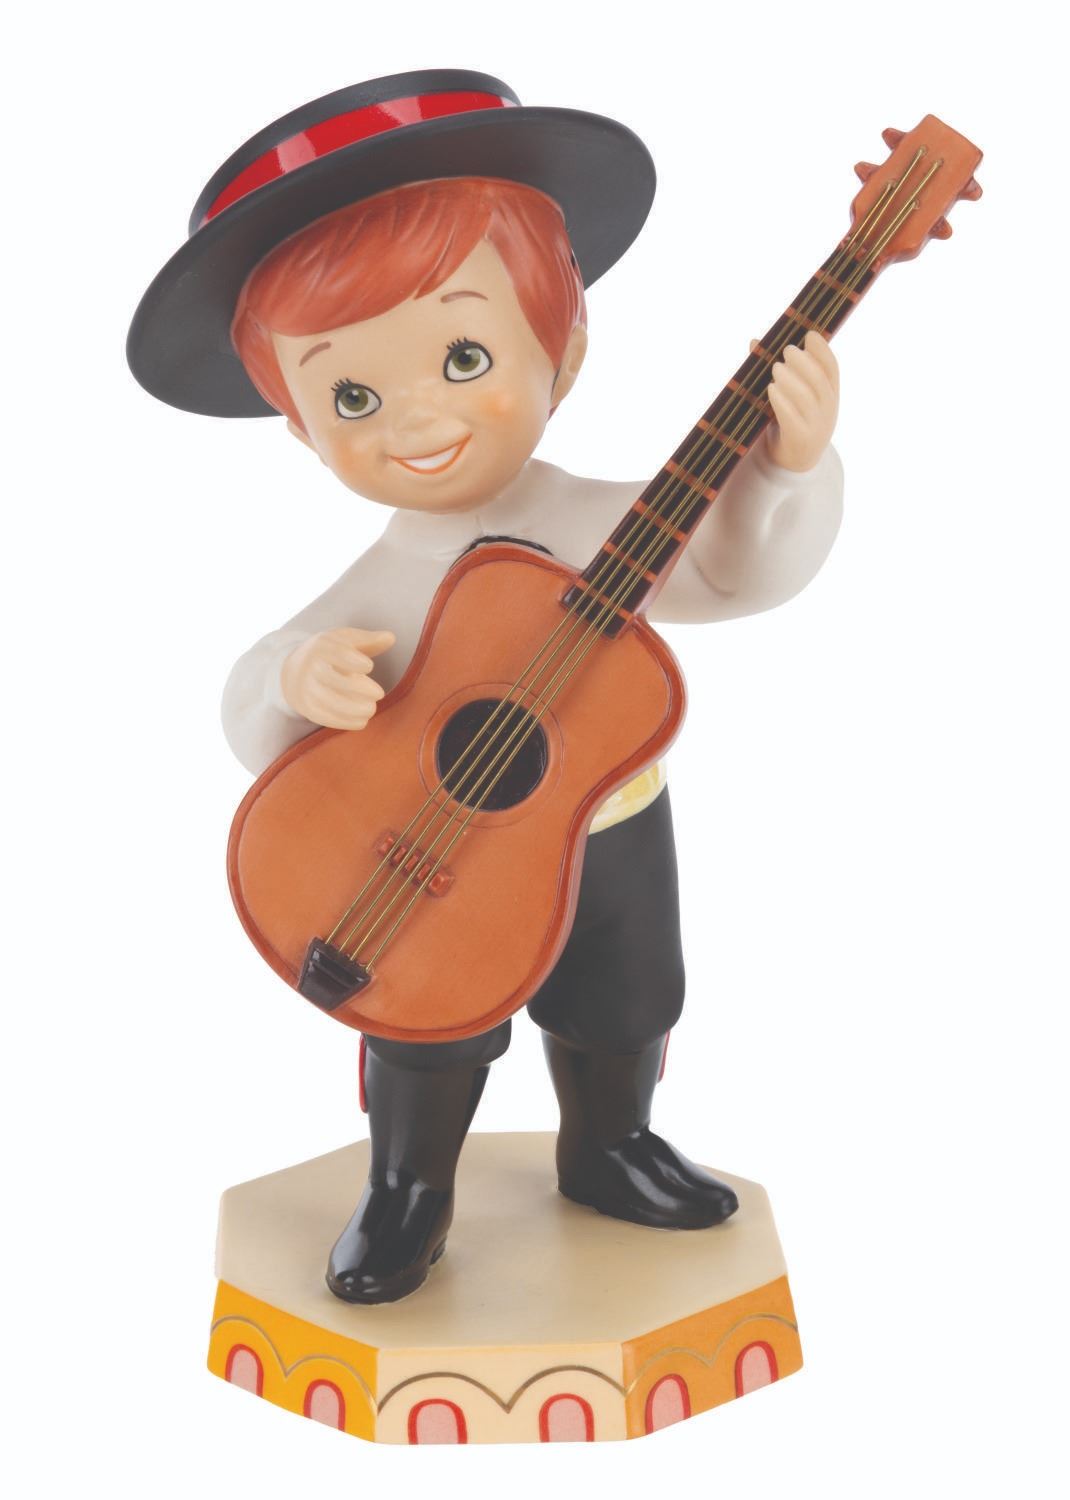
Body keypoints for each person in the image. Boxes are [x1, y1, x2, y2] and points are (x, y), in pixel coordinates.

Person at [129, 71, 842, 1305]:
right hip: (426, 850)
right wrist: (298, 679)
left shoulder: (599, 524)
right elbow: (262, 694)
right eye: (352, 396)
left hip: (609, 832)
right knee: (425, 1019)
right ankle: (407, 1188)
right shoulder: (380, 578)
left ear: (563, 350)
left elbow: (732, 575)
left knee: (628, 998)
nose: (417, 421)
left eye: (464, 356)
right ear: (297, 427)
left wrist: (787, 468)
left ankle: (609, 1145)